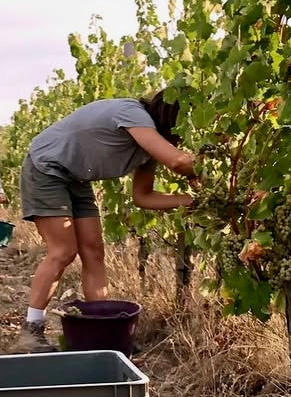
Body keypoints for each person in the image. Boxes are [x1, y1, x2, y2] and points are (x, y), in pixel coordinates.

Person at [17, 90, 196, 351]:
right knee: (64, 251)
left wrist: (192, 202)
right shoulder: (133, 114)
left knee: (94, 251)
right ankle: (31, 331)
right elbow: (178, 161)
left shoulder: (147, 147)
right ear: (174, 117)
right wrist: (215, 171)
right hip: (46, 167)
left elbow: (143, 196)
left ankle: (100, 332)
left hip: (77, 177)